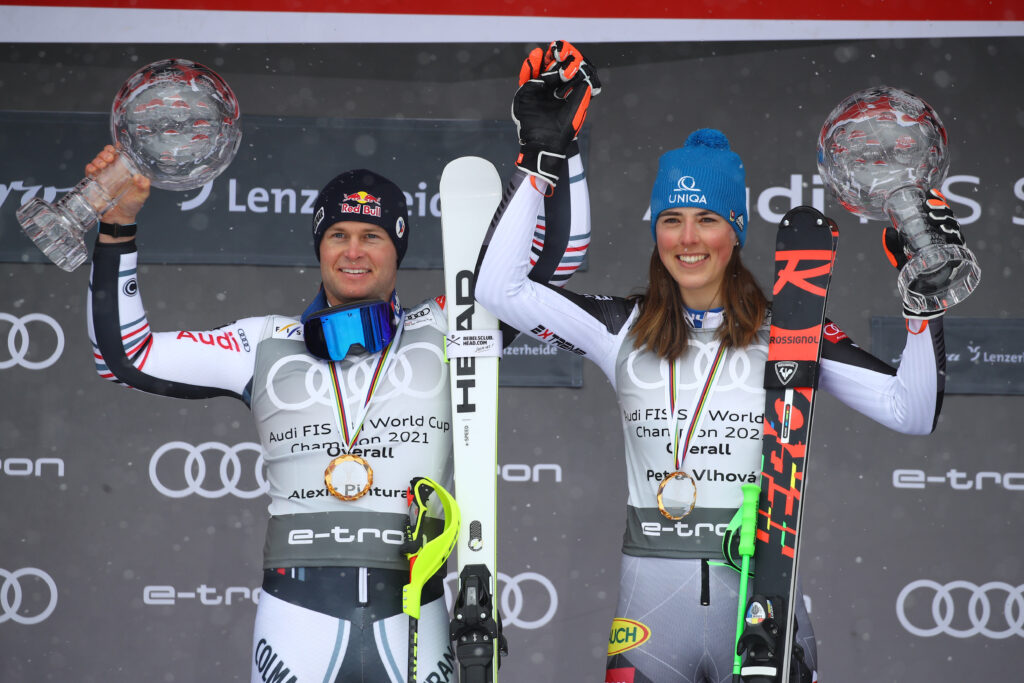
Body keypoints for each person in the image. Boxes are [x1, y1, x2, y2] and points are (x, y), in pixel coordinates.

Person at [476, 41, 956, 683]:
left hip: (761, 603)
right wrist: (540, 158)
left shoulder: (790, 329)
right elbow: (498, 290)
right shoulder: (620, 328)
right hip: (650, 615)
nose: (688, 238)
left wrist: (924, 309)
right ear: (656, 232)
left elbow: (912, 411)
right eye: (671, 220)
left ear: (736, 230)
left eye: (707, 219)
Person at [85, 142, 589, 682]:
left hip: (417, 614)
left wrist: (556, 146)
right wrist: (117, 226)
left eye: (372, 236)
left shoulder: (453, 324)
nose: (354, 251)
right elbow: (124, 355)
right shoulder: (263, 342)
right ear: (319, 248)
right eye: (338, 236)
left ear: (399, 249)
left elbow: (559, 256)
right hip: (296, 619)